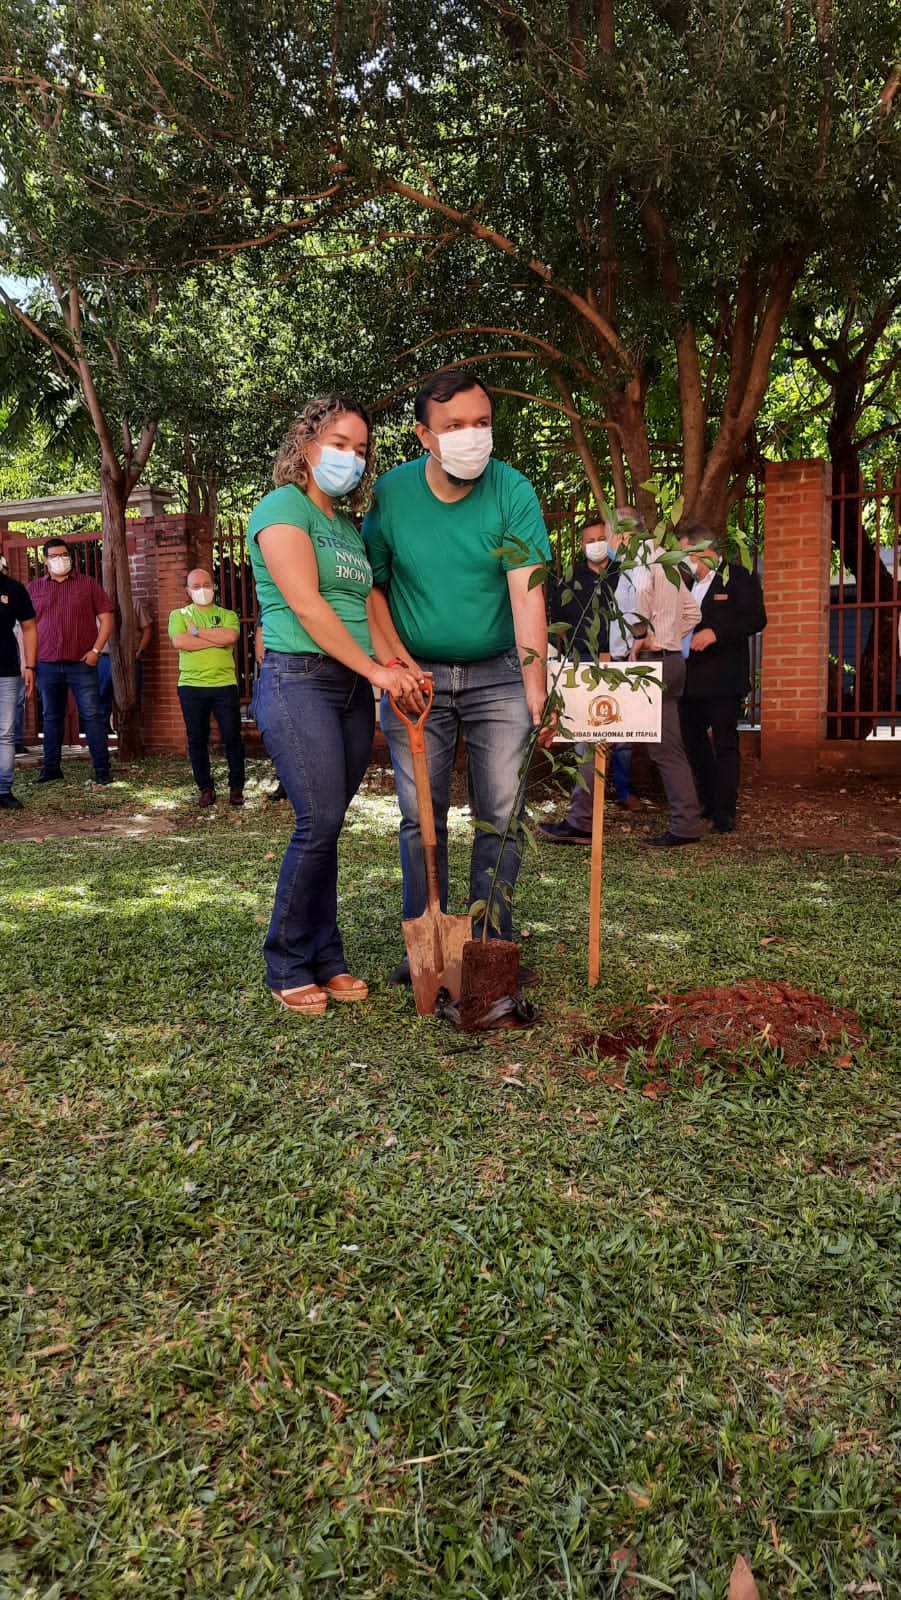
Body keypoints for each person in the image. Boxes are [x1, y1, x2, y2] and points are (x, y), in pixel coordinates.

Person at [362, 370, 552, 979]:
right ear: (424, 435)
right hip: (417, 679)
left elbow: (527, 594)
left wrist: (535, 687)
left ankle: (491, 944)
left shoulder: (512, 491)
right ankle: (430, 945)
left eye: (482, 422)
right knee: (422, 815)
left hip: (499, 673)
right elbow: (371, 586)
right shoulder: (391, 496)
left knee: (500, 812)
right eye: (454, 426)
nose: (473, 436)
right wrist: (391, 665)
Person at [248, 394, 420, 1015]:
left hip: (349, 689)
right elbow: (310, 607)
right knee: (317, 822)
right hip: (299, 679)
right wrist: (375, 668)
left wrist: (398, 661)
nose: (352, 457)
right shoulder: (280, 510)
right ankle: (289, 962)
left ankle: (327, 956)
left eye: (361, 448)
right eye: (340, 444)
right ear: (306, 446)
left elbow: (370, 605)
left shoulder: (347, 527)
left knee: (328, 826)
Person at [539, 510, 643, 845]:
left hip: (621, 660)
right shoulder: (571, 579)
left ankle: (620, 794)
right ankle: (583, 814)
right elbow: (561, 622)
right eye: (590, 541)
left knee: (622, 732)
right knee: (589, 733)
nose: (597, 546)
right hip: (583, 661)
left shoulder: (624, 574)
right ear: (582, 546)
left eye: (602, 539)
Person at [677, 523, 767, 834]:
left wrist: (716, 633)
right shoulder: (689, 585)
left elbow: (756, 618)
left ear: (703, 551)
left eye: (685, 552)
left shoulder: (738, 577)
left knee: (725, 745)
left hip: (724, 678)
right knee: (693, 741)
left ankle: (725, 811)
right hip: (691, 679)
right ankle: (708, 799)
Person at [628, 524, 703, 847]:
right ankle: (687, 821)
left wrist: (646, 636)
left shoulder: (644, 560)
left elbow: (642, 595)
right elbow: (693, 613)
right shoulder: (668, 562)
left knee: (662, 749)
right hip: (673, 662)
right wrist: (669, 638)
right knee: (669, 747)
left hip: (654, 664)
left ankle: (686, 825)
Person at [27, 539, 114, 785]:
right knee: (52, 716)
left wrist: (96, 650)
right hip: (46, 663)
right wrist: (30, 664)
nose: (60, 559)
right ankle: (51, 768)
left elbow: (106, 619)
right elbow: (27, 627)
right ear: (45, 560)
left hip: (82, 663)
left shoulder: (87, 585)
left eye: (64, 554)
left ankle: (102, 770)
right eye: (54, 555)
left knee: (92, 715)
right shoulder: (34, 589)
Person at [168, 569, 245, 807]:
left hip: (225, 685)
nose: (202, 589)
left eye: (206, 584)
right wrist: (213, 639)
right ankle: (205, 787)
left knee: (232, 737)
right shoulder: (178, 614)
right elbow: (180, 642)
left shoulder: (228, 614)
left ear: (214, 586)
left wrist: (198, 632)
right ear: (187, 590)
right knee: (197, 739)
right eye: (196, 585)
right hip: (191, 686)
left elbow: (230, 637)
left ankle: (236, 787)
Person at [0, 558, 37, 811]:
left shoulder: (13, 588)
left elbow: (29, 627)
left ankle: (3, 789)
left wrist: (30, 665)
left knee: (5, 734)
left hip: (8, 672)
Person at [97, 598, 153, 730]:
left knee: (132, 701)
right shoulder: (98, 602)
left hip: (130, 658)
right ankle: (102, 743)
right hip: (105, 658)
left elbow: (147, 628)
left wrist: (140, 651)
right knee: (101, 700)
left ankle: (133, 741)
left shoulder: (134, 602)